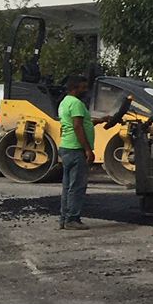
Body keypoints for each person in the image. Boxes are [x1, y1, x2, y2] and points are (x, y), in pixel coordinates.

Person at [57, 72, 92, 230]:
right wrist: (88, 150)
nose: (85, 90)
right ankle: (72, 219)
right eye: (82, 88)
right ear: (74, 88)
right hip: (76, 149)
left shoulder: (65, 102)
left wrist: (98, 121)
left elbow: (78, 123)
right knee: (77, 186)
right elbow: (77, 126)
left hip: (65, 147)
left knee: (67, 186)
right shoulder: (77, 103)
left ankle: (64, 218)